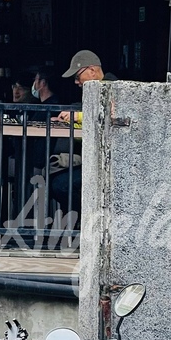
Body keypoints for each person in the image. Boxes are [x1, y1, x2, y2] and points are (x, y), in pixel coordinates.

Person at [49, 50, 118, 217]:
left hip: (111, 165)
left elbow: (106, 117)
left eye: (78, 76)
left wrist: (76, 117)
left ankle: (91, 222)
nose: (76, 82)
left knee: (61, 185)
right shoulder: (95, 92)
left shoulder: (114, 87)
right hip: (97, 162)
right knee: (58, 182)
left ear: (92, 71)